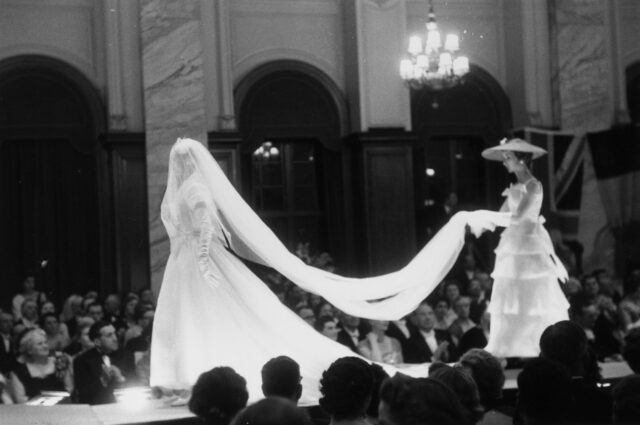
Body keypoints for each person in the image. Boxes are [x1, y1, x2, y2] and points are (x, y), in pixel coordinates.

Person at [150, 138, 511, 402]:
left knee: (212, 314)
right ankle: (186, 377)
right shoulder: (182, 190)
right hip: (184, 264)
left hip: (199, 262)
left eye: (183, 158)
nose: (179, 164)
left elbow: (206, 226)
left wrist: (203, 259)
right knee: (191, 316)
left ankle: (198, 379)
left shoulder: (196, 189)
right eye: (177, 159)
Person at [481, 138, 569, 357]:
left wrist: (488, 218)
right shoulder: (514, 187)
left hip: (529, 246)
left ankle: (540, 346)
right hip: (512, 245)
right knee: (511, 292)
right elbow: (501, 215)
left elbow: (519, 216)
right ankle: (512, 347)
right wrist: (480, 222)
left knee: (533, 293)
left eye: (508, 157)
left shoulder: (534, 186)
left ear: (521, 160)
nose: (504, 162)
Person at [8, 328, 73, 403]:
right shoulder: (18, 373)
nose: (45, 346)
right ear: (29, 350)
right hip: (33, 409)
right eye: (40, 344)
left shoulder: (60, 363)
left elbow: (69, 388)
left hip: (62, 406)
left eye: (45, 343)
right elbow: (20, 399)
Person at [72, 321, 125, 404]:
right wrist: (103, 380)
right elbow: (83, 394)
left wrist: (120, 378)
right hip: (96, 407)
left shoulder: (126, 356)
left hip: (124, 406)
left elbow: (137, 385)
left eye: (115, 334)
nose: (115, 339)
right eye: (109, 335)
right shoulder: (81, 361)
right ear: (97, 341)